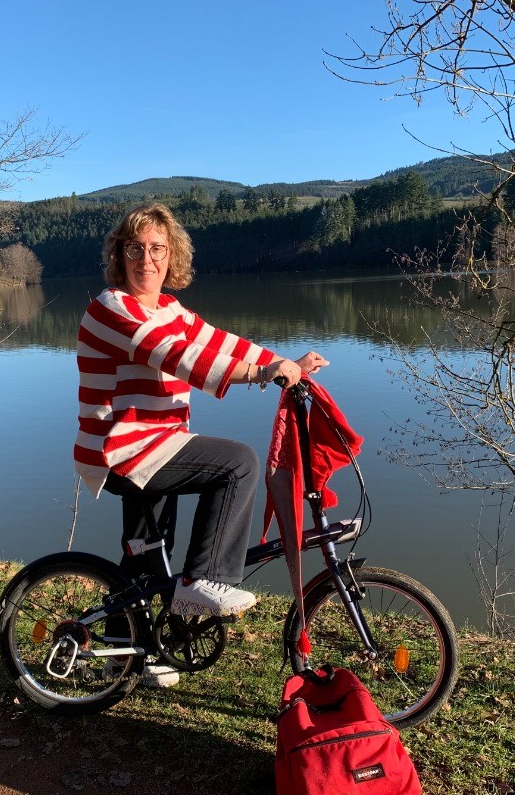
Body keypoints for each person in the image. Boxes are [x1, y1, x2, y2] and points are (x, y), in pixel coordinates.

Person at [74, 203, 327, 625]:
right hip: (123, 447)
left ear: (171, 256)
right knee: (239, 464)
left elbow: (222, 344)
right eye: (134, 249)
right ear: (119, 256)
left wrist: (289, 365)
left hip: (156, 442)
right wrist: (262, 374)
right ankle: (203, 581)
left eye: (157, 249)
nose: (146, 260)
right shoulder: (111, 307)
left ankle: (131, 649)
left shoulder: (171, 310)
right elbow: (180, 356)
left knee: (147, 553)